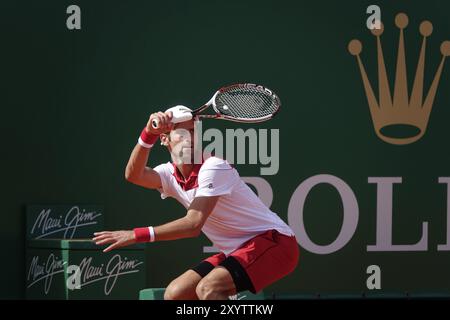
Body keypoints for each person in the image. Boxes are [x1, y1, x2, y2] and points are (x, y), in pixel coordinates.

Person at [92, 106, 299, 300]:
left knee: (208, 288)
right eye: (181, 133)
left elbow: (193, 225)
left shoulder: (213, 167)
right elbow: (133, 175)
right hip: (236, 249)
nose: (189, 138)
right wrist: (148, 134)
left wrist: (136, 235)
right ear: (165, 139)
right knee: (175, 293)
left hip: (276, 243)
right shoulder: (169, 174)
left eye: (193, 131)